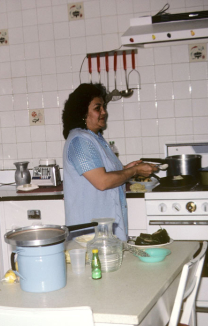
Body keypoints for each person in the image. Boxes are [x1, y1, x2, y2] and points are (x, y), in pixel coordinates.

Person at [62, 83, 157, 241]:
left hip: (104, 231)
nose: (104, 112)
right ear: (82, 112)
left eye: (103, 107)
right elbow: (102, 182)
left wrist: (126, 169)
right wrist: (134, 171)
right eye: (97, 108)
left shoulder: (95, 138)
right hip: (89, 235)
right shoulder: (80, 141)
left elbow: (103, 173)